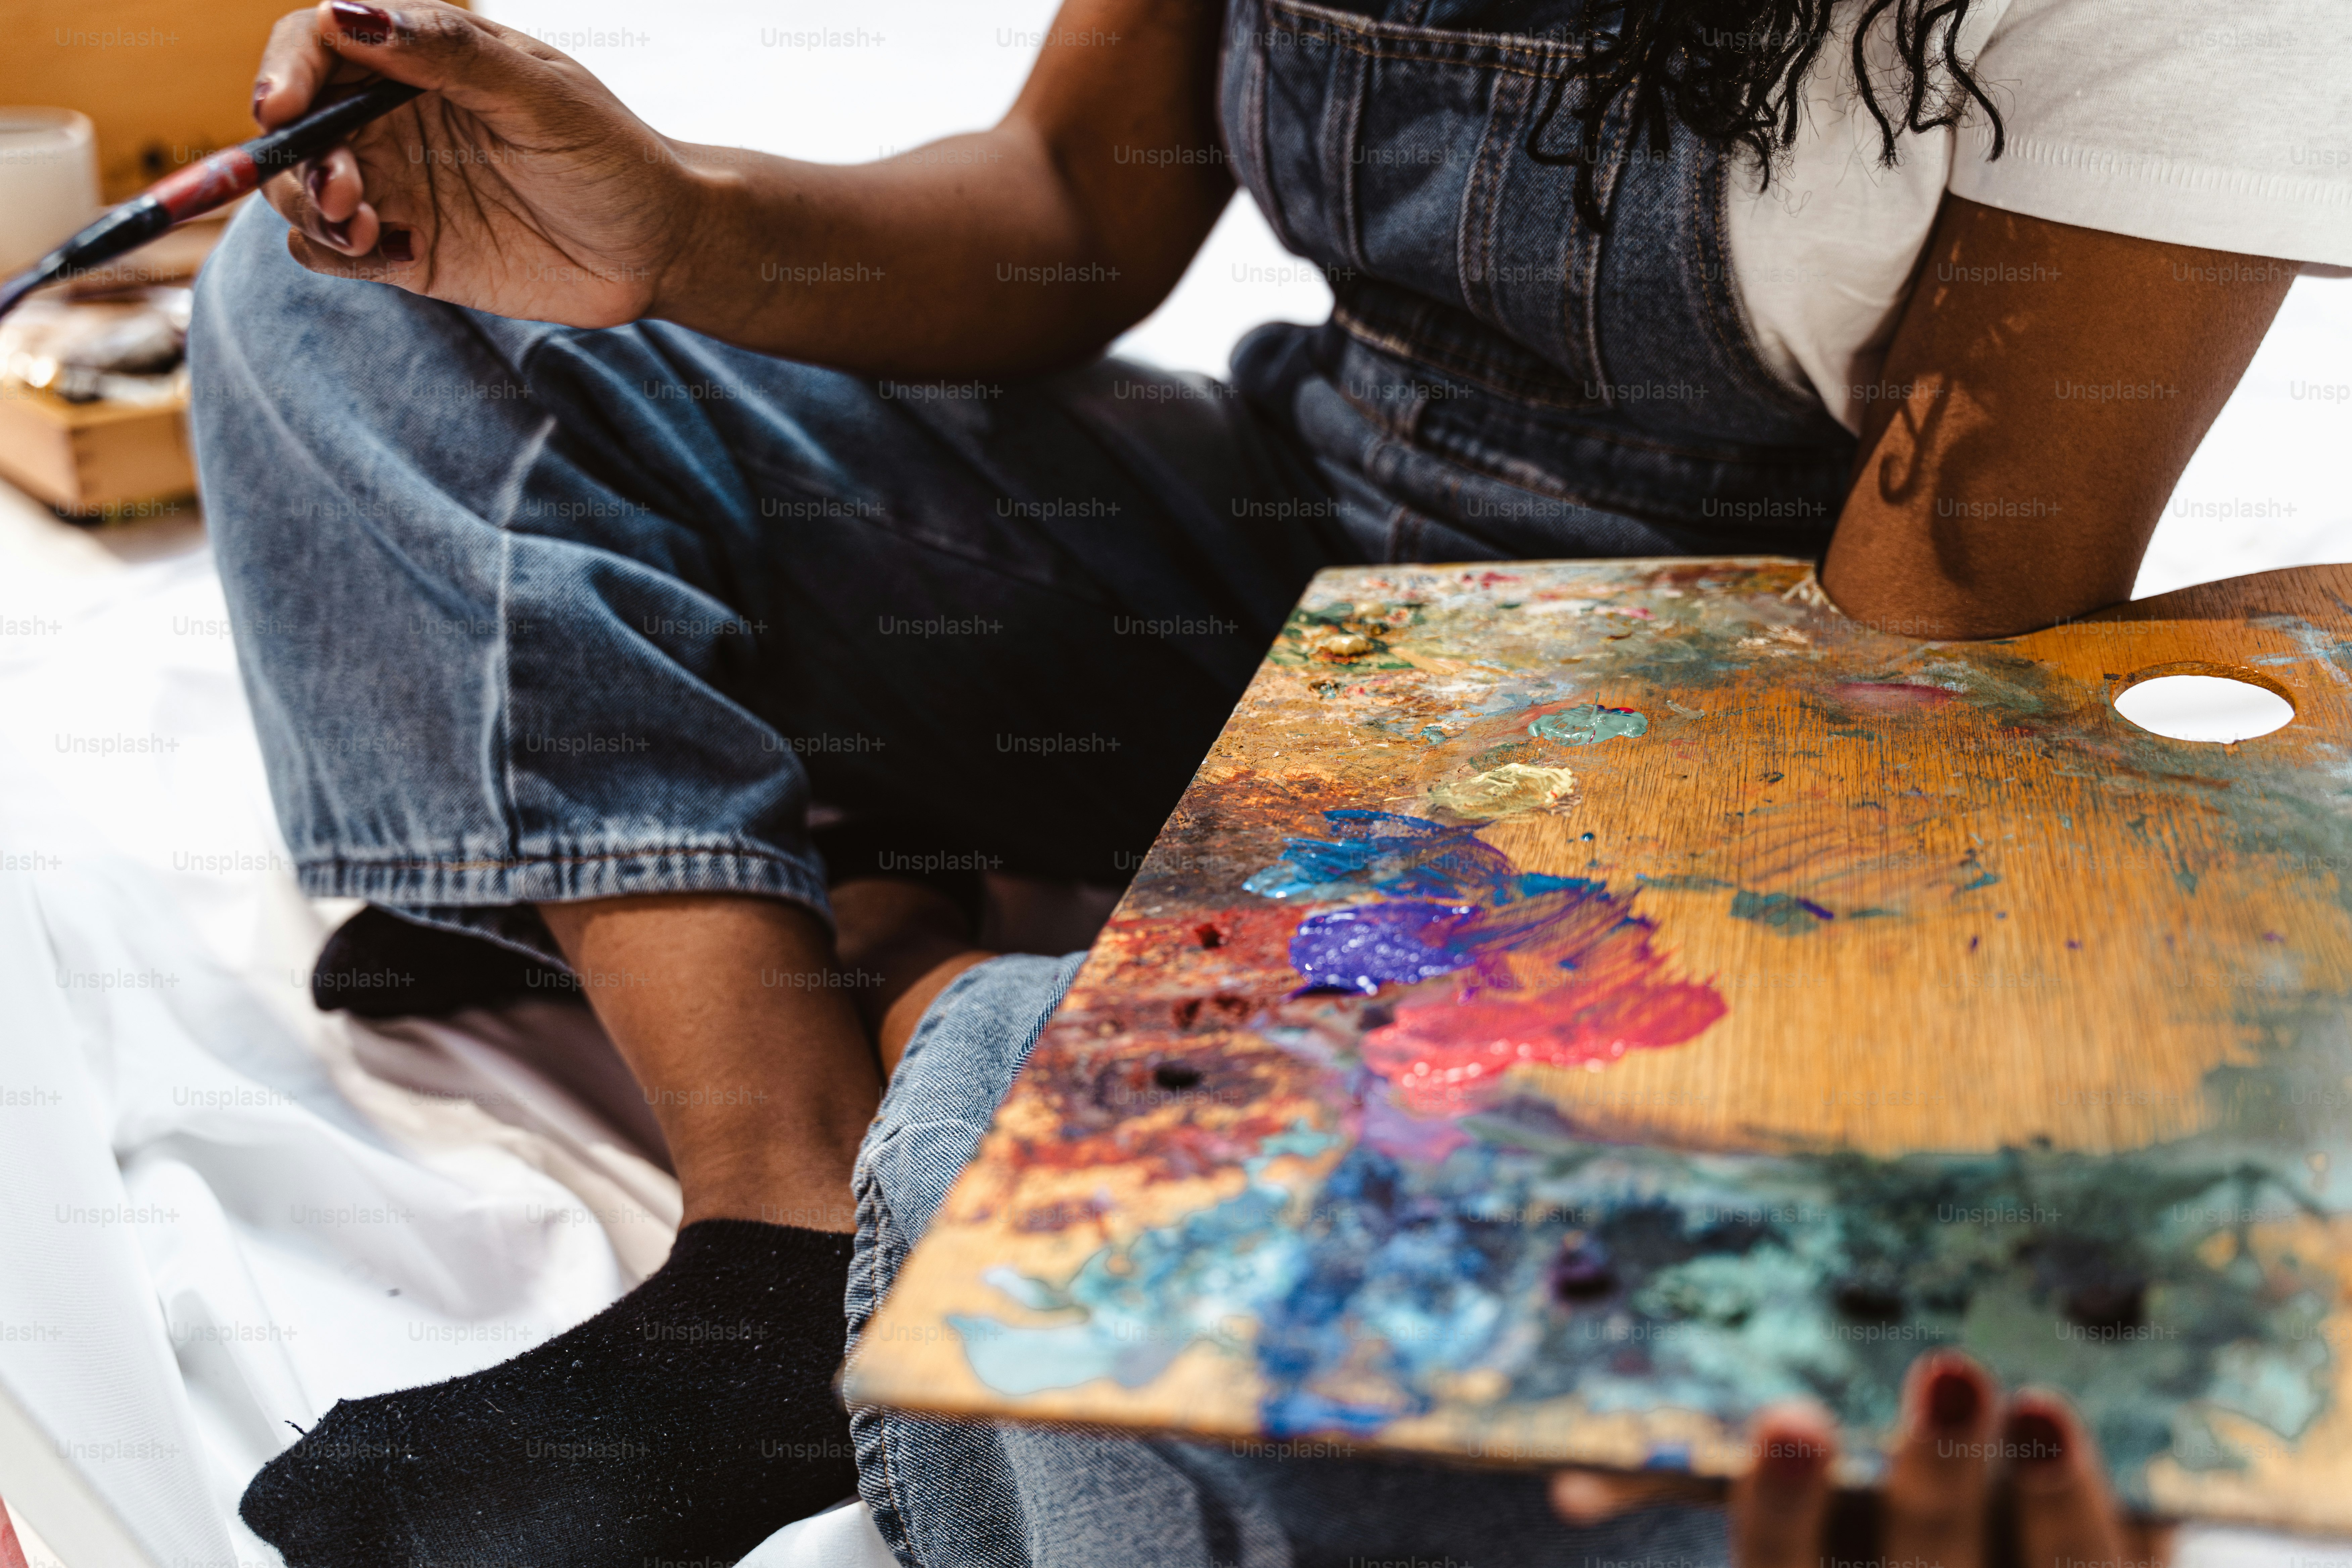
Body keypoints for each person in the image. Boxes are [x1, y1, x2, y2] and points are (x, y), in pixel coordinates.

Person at [189, 0, 2340, 1563]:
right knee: (370, 301)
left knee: (1149, 1210)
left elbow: (1905, 659)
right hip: (1275, 537)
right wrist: (665, 224)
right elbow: (1063, 204)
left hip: (1684, 731)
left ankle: (902, 952)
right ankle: (780, 1211)